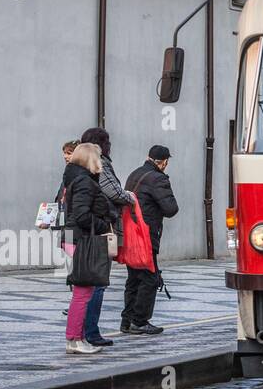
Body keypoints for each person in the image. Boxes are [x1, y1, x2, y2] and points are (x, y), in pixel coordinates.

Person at [78, 128, 135, 347]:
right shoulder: (99, 164)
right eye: (107, 141)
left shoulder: (77, 168)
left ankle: (81, 331)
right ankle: (90, 331)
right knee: (97, 284)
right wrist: (128, 197)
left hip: (84, 233)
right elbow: (113, 191)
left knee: (85, 285)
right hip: (100, 231)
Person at [122, 145, 179, 335]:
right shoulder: (158, 178)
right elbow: (171, 209)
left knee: (133, 278)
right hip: (146, 234)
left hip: (131, 231)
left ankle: (127, 320)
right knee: (149, 278)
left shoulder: (134, 174)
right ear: (163, 162)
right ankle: (139, 321)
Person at [64, 143, 115, 355]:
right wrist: (104, 226)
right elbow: (82, 215)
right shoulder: (85, 181)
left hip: (77, 238)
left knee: (83, 291)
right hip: (83, 239)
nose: (101, 160)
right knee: (83, 292)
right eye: (98, 156)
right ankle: (75, 340)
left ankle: (79, 337)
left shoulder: (77, 178)